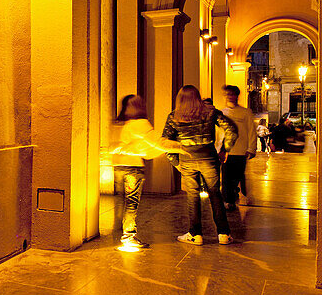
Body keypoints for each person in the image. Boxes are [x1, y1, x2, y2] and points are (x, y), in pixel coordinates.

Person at [163, 85, 238, 246]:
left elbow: (165, 142)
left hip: (187, 159)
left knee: (193, 197)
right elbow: (231, 129)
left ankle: (195, 234)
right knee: (215, 194)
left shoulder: (174, 116)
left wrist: (175, 162)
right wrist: (225, 149)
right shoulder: (210, 112)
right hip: (209, 157)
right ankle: (223, 233)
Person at [109, 95, 184, 249]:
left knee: (123, 202)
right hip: (133, 168)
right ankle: (129, 236)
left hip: (118, 166)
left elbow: (115, 146)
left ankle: (123, 231)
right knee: (131, 203)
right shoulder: (140, 123)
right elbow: (157, 142)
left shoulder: (118, 123)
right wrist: (181, 147)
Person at [219, 85, 257, 212]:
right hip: (226, 151)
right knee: (226, 177)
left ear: (237, 96)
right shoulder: (222, 112)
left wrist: (251, 148)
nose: (230, 96)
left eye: (232, 94)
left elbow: (251, 131)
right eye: (228, 94)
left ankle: (234, 195)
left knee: (236, 176)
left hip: (240, 151)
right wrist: (218, 148)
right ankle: (228, 200)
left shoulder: (246, 112)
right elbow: (219, 133)